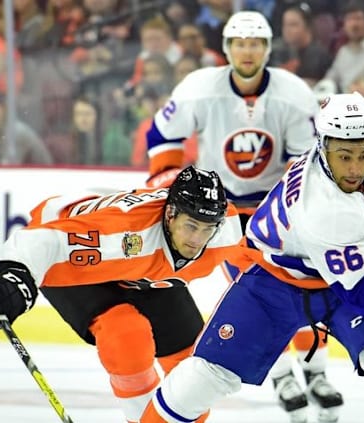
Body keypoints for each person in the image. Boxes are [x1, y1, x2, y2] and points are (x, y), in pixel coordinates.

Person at [140, 92, 364, 423]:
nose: (355, 169)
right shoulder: (322, 208)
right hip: (274, 281)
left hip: (342, 282)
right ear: (323, 146)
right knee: (201, 380)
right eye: (344, 156)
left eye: (363, 155)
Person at [144, 10, 343, 422]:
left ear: (267, 49)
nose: (247, 51)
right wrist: (168, 181)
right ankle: (283, 374)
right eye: (238, 43)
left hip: (278, 208)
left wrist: (290, 205)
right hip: (224, 209)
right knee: (254, 287)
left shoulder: (293, 94)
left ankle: (315, 369)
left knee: (303, 285)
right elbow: (162, 134)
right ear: (227, 48)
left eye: (255, 44)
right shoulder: (200, 87)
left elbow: (305, 161)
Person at [0, 166, 242, 423]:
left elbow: (271, 243)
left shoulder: (225, 230)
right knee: (125, 336)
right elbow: (45, 242)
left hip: (144, 272)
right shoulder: (123, 234)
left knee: (192, 375)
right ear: (170, 214)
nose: (197, 240)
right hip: (81, 255)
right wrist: (12, 276)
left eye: (207, 229)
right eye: (191, 226)